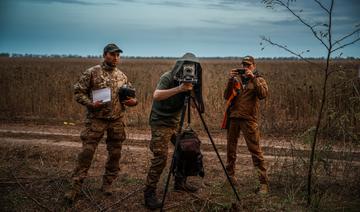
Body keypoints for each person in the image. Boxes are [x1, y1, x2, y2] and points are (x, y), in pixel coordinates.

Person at [64, 43, 137, 203]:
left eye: (118, 55)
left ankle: (107, 184)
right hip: (96, 120)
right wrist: (91, 103)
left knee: (115, 154)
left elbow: (130, 96)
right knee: (87, 153)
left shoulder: (122, 76)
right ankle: (75, 186)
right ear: (105, 55)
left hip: (117, 121)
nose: (116, 57)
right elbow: (78, 92)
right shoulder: (92, 72)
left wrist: (133, 102)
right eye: (113, 54)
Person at [143, 53, 202, 210]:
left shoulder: (191, 80)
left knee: (188, 147)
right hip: (160, 122)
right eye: (186, 66)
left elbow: (197, 108)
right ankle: (149, 193)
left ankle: (180, 182)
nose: (189, 70)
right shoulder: (168, 77)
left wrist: (193, 91)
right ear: (180, 66)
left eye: (192, 67)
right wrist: (179, 88)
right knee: (160, 158)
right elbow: (156, 95)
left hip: (176, 122)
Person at [224, 55, 269, 194]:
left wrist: (253, 78)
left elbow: (263, 95)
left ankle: (263, 184)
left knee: (255, 151)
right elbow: (226, 96)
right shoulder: (236, 79)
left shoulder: (259, 79)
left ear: (253, 66)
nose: (245, 68)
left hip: (249, 119)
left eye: (248, 65)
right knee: (231, 150)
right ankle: (230, 178)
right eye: (244, 65)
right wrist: (230, 80)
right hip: (234, 118)